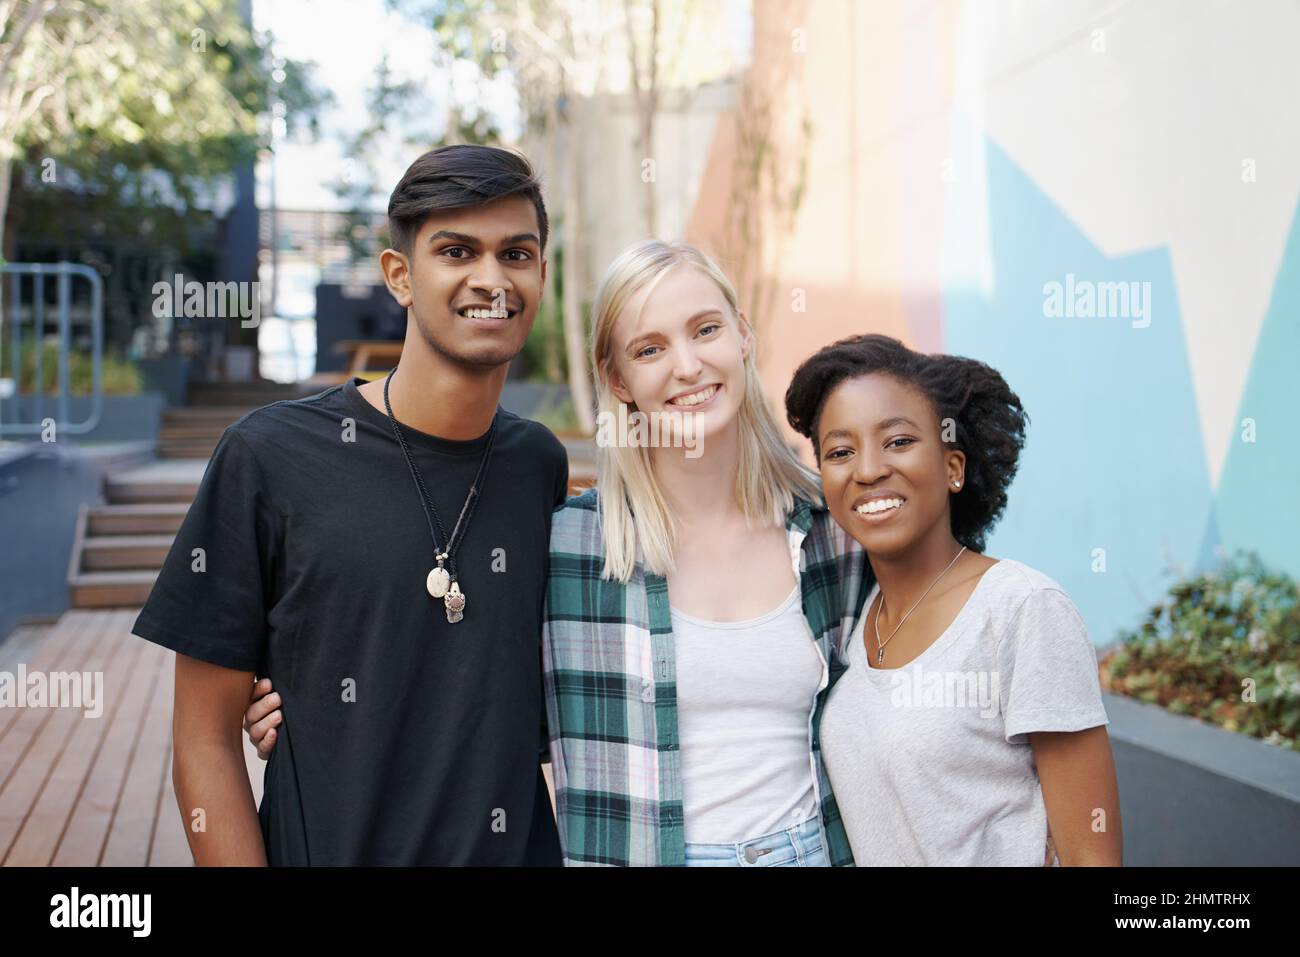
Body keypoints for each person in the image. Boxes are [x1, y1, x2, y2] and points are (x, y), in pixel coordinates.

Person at [248, 240, 872, 867]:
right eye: (649, 348)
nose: (687, 366)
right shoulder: (570, 546)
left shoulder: (832, 532)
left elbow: (904, 690)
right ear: (617, 380)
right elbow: (461, 671)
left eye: (705, 330)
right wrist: (311, 698)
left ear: (741, 334)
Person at [133, 144, 568, 865]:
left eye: (516, 253)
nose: (491, 279)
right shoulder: (268, 456)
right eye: (457, 251)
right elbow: (202, 739)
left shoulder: (538, 465)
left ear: (542, 275)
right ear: (400, 275)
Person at [784, 333, 1123, 865]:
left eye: (898, 441)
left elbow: (1090, 854)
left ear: (953, 468)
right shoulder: (855, 621)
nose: (868, 470)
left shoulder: (1021, 609)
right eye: (841, 451)